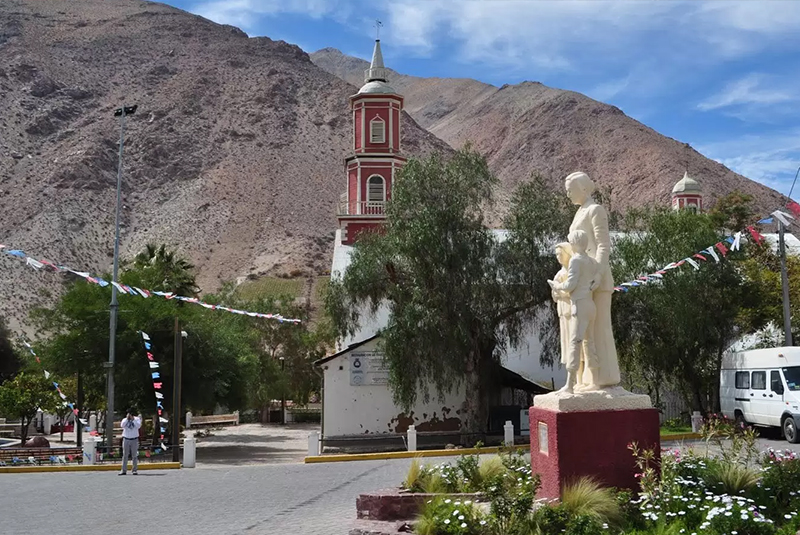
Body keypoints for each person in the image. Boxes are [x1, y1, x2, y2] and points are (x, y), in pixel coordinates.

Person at [564, 171, 621, 389]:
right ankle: (588, 379)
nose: (568, 195)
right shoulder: (579, 212)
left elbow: (603, 245)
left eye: (571, 190)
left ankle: (604, 378)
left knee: (599, 330)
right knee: (587, 333)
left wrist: (597, 274)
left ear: (584, 189)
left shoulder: (595, 210)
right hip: (583, 282)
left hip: (597, 279)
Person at [548, 230, 598, 393]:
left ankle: (570, 385)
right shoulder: (592, 262)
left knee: (575, 343)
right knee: (588, 342)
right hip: (590, 304)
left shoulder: (576, 260)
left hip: (580, 304)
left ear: (575, 243)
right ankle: (595, 380)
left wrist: (557, 286)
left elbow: (570, 285)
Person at [119, 408, 141, 475]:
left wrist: (133, 420)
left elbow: (138, 426)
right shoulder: (124, 420)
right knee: (125, 455)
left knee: (134, 455)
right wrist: (127, 419)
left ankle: (134, 470)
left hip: (134, 439)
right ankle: (123, 470)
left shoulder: (137, 419)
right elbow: (122, 425)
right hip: (126, 439)